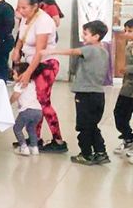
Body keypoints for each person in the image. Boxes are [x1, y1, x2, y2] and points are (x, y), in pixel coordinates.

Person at [41, 21, 110, 165]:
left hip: (86, 95)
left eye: (86, 34)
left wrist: (51, 51)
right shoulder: (104, 50)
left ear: (96, 36)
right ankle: (101, 152)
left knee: (83, 126)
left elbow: (73, 52)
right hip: (98, 95)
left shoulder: (91, 49)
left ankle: (85, 154)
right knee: (92, 126)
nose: (83, 36)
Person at [12, 0, 66, 153]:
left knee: (43, 102)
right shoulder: (26, 18)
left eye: (24, 8)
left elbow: (39, 51)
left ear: (35, 6)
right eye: (19, 7)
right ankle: (35, 138)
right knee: (34, 102)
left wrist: (28, 73)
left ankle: (58, 141)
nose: (20, 11)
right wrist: (17, 49)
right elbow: (21, 37)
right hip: (31, 62)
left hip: (45, 64)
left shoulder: (44, 21)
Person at [10, 62, 43, 156]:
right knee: (31, 128)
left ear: (21, 75)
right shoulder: (32, 83)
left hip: (26, 111)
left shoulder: (20, 84)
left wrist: (9, 102)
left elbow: (15, 96)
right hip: (38, 111)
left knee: (17, 128)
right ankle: (34, 147)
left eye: (15, 74)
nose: (13, 76)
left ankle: (23, 147)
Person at [113, 19, 133, 159]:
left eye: (130, 31)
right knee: (119, 113)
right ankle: (128, 138)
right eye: (125, 30)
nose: (126, 34)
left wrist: (127, 69)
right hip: (128, 87)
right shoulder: (129, 46)